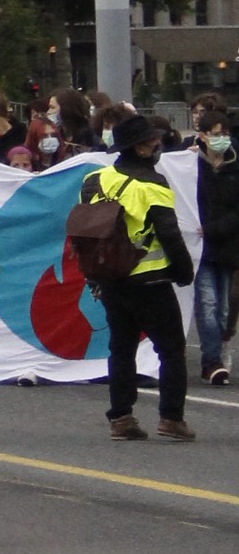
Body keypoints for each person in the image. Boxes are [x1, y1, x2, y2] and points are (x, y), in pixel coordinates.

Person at [89, 112, 198, 439]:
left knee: (120, 349)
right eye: (152, 141)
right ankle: (171, 418)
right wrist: (184, 273)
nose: (157, 144)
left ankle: (120, 418)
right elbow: (169, 235)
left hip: (110, 279)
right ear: (138, 148)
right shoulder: (153, 185)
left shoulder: (95, 180)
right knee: (171, 350)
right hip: (149, 280)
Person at [193, 109, 239, 386]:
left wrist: (215, 228)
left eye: (225, 134)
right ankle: (212, 361)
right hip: (201, 247)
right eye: (216, 134)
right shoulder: (191, 164)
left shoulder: (235, 165)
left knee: (222, 308)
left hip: (228, 245)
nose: (222, 139)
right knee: (208, 302)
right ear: (203, 136)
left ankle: (217, 353)